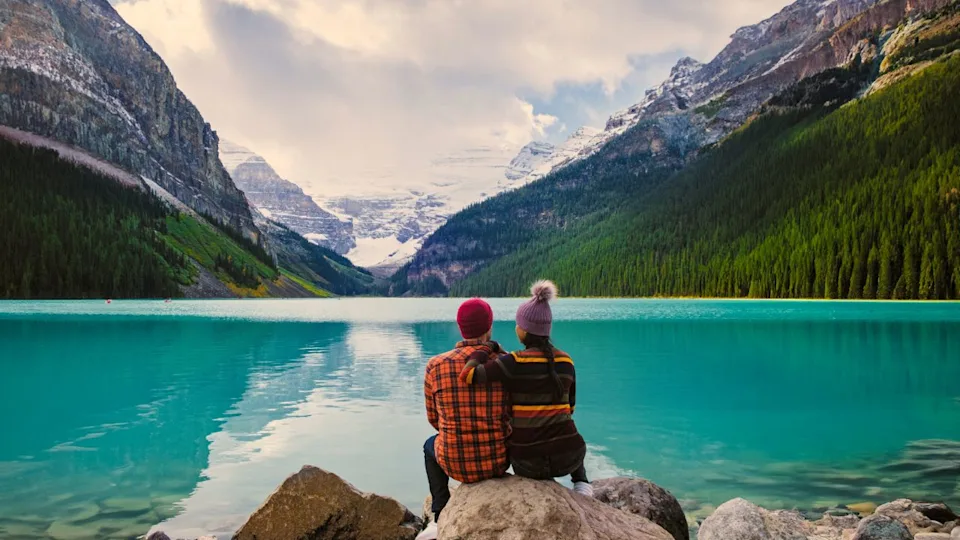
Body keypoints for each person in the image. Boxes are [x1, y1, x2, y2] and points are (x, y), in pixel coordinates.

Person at [459, 280, 592, 496]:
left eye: (518, 324)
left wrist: (487, 347)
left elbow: (469, 375)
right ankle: (582, 483)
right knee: (565, 422)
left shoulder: (514, 362)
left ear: (523, 331)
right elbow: (571, 408)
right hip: (570, 458)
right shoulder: (566, 360)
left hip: (527, 464)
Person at [417, 298, 510, 540]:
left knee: (430, 445)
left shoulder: (435, 365)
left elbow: (434, 420)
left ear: (460, 328)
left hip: (454, 462)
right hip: (498, 462)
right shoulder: (506, 362)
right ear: (489, 327)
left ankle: (439, 516)